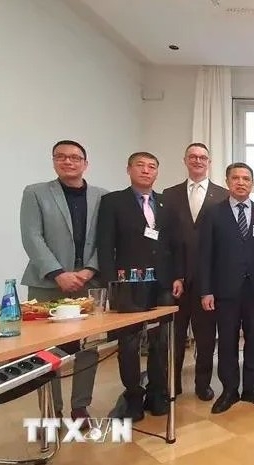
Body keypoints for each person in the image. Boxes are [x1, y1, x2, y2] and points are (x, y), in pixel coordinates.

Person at [20, 139, 106, 425]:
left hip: (88, 282)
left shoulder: (101, 196)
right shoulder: (35, 193)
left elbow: (105, 239)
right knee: (46, 350)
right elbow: (32, 237)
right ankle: (51, 410)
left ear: (85, 163)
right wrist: (58, 272)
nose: (68, 162)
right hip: (47, 284)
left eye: (75, 157)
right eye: (62, 157)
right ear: (54, 161)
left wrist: (90, 270)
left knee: (87, 348)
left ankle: (80, 407)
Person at [96, 151, 184, 422]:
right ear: (129, 169)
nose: (146, 171)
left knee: (162, 341)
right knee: (129, 344)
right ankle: (133, 395)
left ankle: (157, 392)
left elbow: (176, 244)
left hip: (163, 283)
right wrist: (111, 285)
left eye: (152, 167)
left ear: (157, 172)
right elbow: (105, 245)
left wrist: (178, 276)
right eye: (140, 166)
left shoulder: (166, 204)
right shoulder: (112, 202)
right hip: (127, 284)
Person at [199, 162, 254, 414]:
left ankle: (252, 386)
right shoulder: (213, 212)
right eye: (236, 178)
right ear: (228, 181)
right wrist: (206, 290)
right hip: (224, 290)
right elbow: (205, 255)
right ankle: (229, 389)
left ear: (252, 183)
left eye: (246, 178)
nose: (241, 182)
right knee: (228, 340)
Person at [162, 143, 228, 402]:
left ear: (209, 162)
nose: (198, 161)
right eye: (193, 157)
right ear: (185, 160)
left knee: (205, 337)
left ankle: (203, 383)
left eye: (203, 157)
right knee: (175, 336)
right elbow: (166, 241)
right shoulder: (169, 195)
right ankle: (172, 384)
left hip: (209, 281)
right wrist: (175, 274)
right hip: (178, 280)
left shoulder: (223, 195)